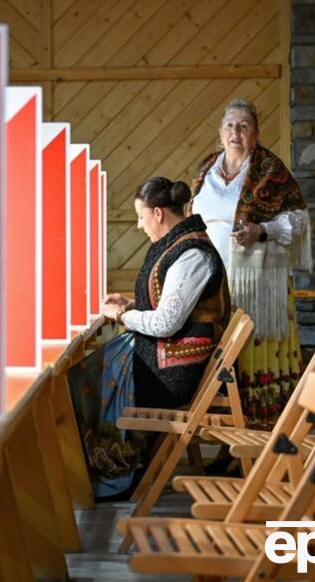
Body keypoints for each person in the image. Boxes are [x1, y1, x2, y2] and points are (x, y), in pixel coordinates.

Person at [68, 177, 230, 499]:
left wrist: (121, 316)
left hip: (175, 371)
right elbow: (171, 307)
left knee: (83, 378)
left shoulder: (192, 255)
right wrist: (131, 305)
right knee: (86, 373)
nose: (139, 225)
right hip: (167, 355)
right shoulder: (177, 244)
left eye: (141, 217)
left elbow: (167, 322)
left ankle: (116, 472)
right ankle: (96, 471)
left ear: (158, 213)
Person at [190, 98, 312, 431]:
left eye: (244, 126)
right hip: (214, 283)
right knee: (224, 358)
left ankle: (263, 433)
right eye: (230, 125)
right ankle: (227, 436)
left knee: (252, 356)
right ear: (220, 133)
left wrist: (262, 230)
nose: (236, 131)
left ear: (255, 135)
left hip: (259, 286)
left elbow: (299, 220)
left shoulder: (270, 171)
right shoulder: (206, 169)